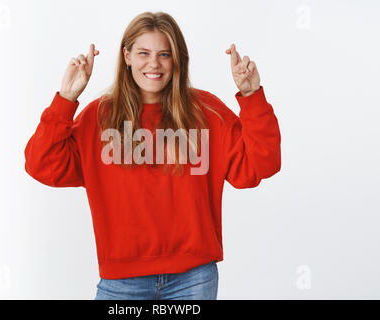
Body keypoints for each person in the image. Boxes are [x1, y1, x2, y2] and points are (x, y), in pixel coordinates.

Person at [24, 11, 281, 300]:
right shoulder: (99, 116)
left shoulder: (206, 112)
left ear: (178, 59)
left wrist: (252, 96)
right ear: (127, 56)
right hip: (122, 281)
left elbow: (260, 165)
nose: (154, 64)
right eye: (143, 53)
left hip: (193, 278)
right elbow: (41, 165)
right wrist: (66, 98)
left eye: (165, 54)